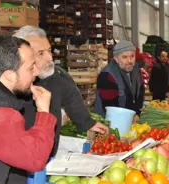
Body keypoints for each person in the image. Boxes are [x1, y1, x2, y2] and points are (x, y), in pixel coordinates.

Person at [13, 26, 109, 154]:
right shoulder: (12, 84)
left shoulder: (56, 76)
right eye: (41, 53)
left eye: (49, 50)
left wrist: (86, 122)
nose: (50, 58)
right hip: (22, 157)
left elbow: (71, 96)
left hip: (48, 149)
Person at [0, 36, 57, 184]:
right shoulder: (1, 116)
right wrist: (43, 112)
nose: (36, 72)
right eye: (30, 67)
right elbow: (35, 159)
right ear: (10, 75)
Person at [95, 40, 145, 118]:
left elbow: (140, 91)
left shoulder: (136, 69)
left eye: (132, 56)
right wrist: (128, 117)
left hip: (130, 118)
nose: (129, 61)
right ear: (116, 59)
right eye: (124, 57)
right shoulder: (107, 75)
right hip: (110, 121)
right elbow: (110, 106)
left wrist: (137, 113)